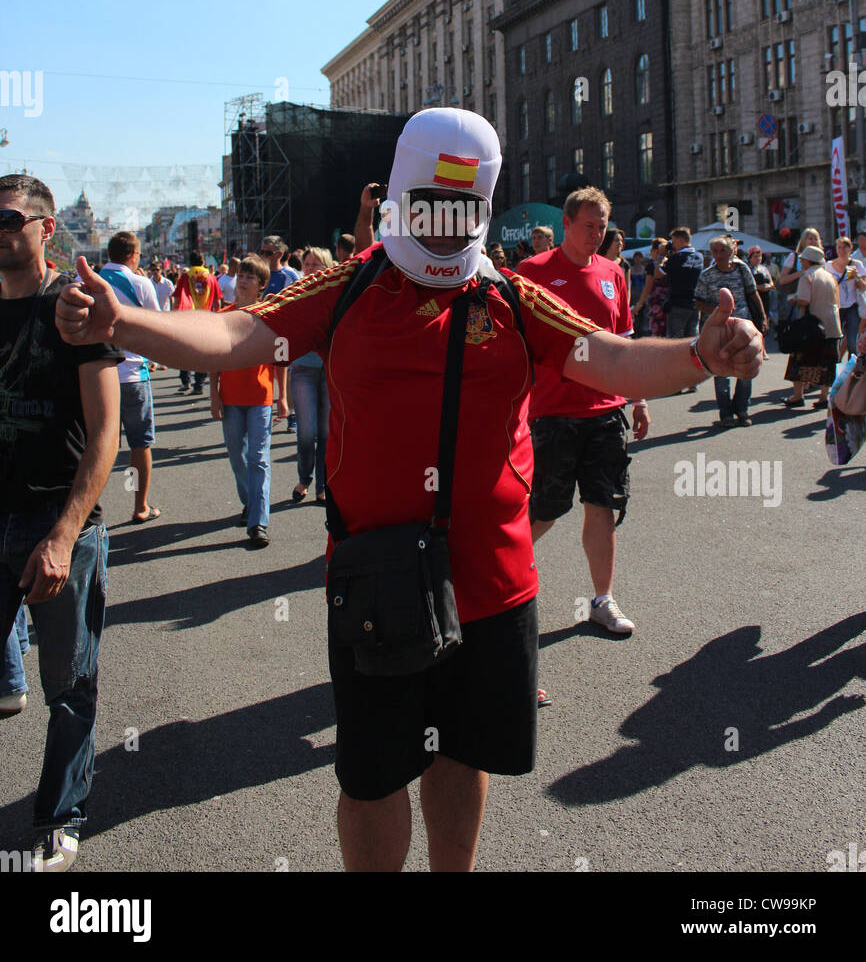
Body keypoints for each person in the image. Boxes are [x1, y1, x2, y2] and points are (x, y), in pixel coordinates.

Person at [55, 108, 762, 874]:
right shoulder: (347, 287)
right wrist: (120, 321)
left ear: (484, 210)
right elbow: (234, 336)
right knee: (370, 779)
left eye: (465, 213)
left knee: (462, 759)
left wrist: (701, 355)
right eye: (430, 208)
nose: (446, 231)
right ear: (399, 198)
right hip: (376, 584)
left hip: (494, 586)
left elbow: (612, 360)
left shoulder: (516, 299)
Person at [0, 174, 121, 872]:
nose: (1, 231)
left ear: (46, 228)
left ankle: (59, 818)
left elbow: (105, 434)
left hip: (60, 521)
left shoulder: (71, 311)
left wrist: (64, 532)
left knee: (70, 689)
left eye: (12, 218)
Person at [517, 188, 647, 647]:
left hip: (607, 412)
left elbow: (626, 345)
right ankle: (493, 591)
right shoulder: (530, 273)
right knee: (544, 511)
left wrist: (639, 400)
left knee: (604, 504)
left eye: (602, 226)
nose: (597, 234)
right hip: (551, 414)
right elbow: (517, 350)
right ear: (566, 223)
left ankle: (602, 600)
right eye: (589, 225)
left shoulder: (615, 272)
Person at [209, 254, 288, 547]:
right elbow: (213, 357)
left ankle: (258, 522)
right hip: (230, 397)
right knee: (236, 456)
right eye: (240, 276)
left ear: (261, 286)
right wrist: (214, 395)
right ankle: (250, 501)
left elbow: (281, 360)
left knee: (258, 459)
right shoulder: (224, 316)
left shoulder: (269, 315)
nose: (242, 281)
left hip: (260, 397)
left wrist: (283, 398)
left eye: (249, 278)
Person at [100, 232, 162, 523]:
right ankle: (140, 506)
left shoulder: (89, 282)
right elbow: (158, 327)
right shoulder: (141, 283)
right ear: (133, 255)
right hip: (133, 376)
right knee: (139, 445)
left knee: (97, 444)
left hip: (97, 376)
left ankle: (89, 508)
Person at [695, 236, 765, 426]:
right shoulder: (706, 275)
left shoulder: (742, 269)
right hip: (718, 330)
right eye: (715, 252)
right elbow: (698, 302)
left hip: (743, 327)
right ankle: (726, 413)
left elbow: (753, 292)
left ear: (731, 252)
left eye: (722, 251)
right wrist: (719, 312)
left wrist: (762, 317)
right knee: (721, 371)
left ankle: (742, 409)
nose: (718, 255)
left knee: (746, 368)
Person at [289, 248, 333, 505]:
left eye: (316, 264)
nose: (310, 268)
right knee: (306, 432)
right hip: (303, 368)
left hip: (328, 368)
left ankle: (323, 485)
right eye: (307, 264)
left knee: (326, 432)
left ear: (326, 268)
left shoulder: (335, 296)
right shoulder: (295, 294)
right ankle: (304, 478)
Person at [784, 245, 843, 409]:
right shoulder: (829, 276)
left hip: (812, 327)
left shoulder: (807, 275)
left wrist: (793, 300)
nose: (801, 261)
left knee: (801, 359)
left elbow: (804, 300)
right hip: (832, 326)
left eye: (803, 259)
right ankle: (823, 397)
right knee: (827, 363)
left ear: (809, 260)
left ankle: (797, 396)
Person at [172, 250, 222, 394]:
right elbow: (217, 301)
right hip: (206, 319)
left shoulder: (185, 276)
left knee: (184, 350)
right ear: (203, 262)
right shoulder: (211, 277)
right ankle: (199, 384)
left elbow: (177, 298)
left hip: (188, 318)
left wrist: (175, 315)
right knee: (202, 352)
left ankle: (186, 381)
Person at [825, 237, 865, 360]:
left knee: (852, 341)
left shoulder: (856, 264)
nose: (842, 250)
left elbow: (864, 287)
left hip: (852, 306)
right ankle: (834, 367)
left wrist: (857, 277)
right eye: (839, 247)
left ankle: (852, 369)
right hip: (835, 306)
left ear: (850, 248)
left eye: (845, 247)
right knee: (834, 339)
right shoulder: (829, 265)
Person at [633, 237, 669, 336]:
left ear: (655, 250)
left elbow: (648, 287)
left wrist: (639, 305)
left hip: (657, 302)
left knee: (657, 332)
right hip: (670, 302)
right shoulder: (670, 262)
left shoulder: (652, 265)